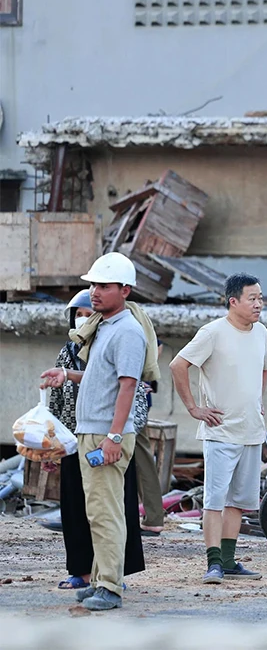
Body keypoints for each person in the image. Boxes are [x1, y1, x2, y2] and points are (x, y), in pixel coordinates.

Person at [40, 252, 149, 611]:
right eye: (93, 285)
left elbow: (128, 387)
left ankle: (110, 588)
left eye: (103, 286)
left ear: (125, 290)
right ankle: (102, 581)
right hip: (94, 431)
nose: (95, 292)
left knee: (106, 513)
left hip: (106, 433)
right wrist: (68, 375)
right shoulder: (105, 327)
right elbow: (102, 380)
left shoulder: (128, 332)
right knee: (98, 512)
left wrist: (115, 436)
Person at [170, 273, 267, 585]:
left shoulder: (262, 333)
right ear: (233, 301)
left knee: (238, 501)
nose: (258, 304)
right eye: (252, 298)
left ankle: (228, 560)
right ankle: (213, 562)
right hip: (220, 431)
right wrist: (194, 409)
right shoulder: (213, 332)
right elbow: (178, 365)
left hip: (251, 430)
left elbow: (264, 370)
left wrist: (258, 401)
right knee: (215, 500)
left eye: (260, 298)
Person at [136, 340, 166, 536]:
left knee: (141, 457)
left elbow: (158, 345)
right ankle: (153, 516)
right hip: (136, 397)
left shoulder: (124, 319)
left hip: (129, 399)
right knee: (142, 458)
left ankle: (154, 517)